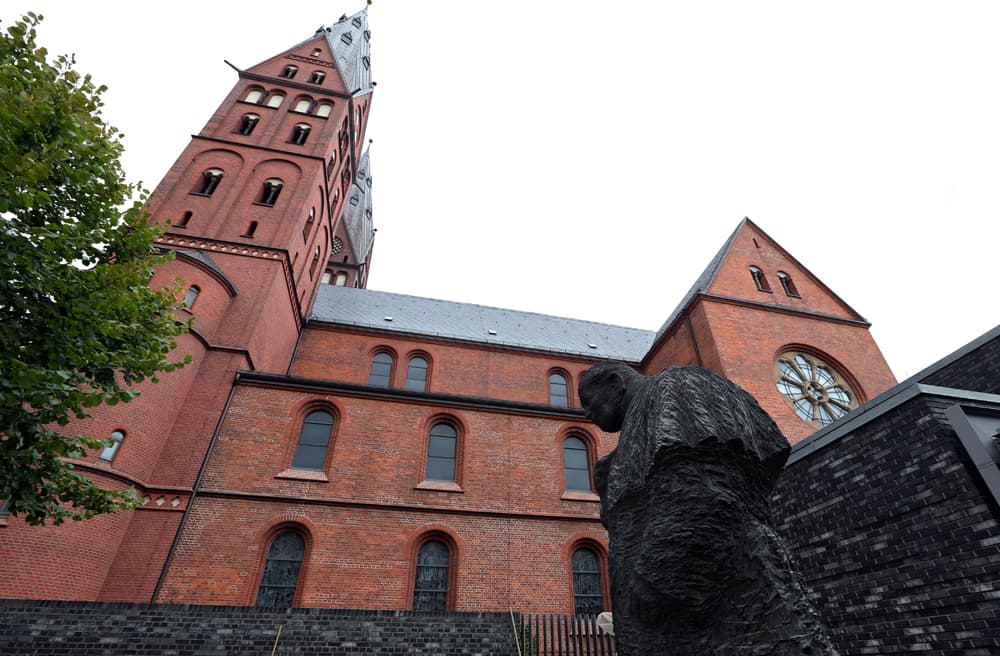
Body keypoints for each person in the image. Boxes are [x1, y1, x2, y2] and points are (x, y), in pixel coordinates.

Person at [579, 362, 838, 656]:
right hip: (665, 627)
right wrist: (606, 492)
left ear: (615, 383)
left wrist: (651, 584)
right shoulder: (630, 437)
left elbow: (708, 490)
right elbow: (631, 527)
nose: (587, 414)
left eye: (589, 403)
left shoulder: (676, 385)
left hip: (718, 616)